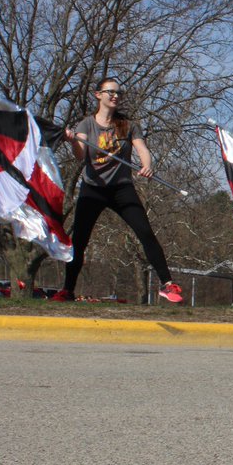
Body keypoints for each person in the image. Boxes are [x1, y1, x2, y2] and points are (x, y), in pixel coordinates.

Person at [53, 77, 182, 303]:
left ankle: (167, 285)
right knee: (80, 240)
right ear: (98, 95)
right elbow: (81, 154)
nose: (115, 96)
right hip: (93, 189)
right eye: (110, 92)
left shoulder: (128, 125)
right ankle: (67, 290)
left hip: (121, 189)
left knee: (145, 233)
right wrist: (72, 141)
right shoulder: (87, 125)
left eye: (118, 93)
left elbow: (142, 149)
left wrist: (147, 166)